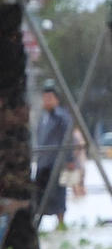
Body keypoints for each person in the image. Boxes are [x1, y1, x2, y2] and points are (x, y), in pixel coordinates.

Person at [34, 82, 71, 230]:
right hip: (43, 162)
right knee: (39, 194)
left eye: (50, 97)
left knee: (58, 194)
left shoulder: (62, 117)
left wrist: (69, 160)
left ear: (56, 99)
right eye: (45, 97)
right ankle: (38, 224)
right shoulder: (43, 117)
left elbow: (67, 139)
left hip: (56, 162)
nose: (47, 101)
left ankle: (61, 223)